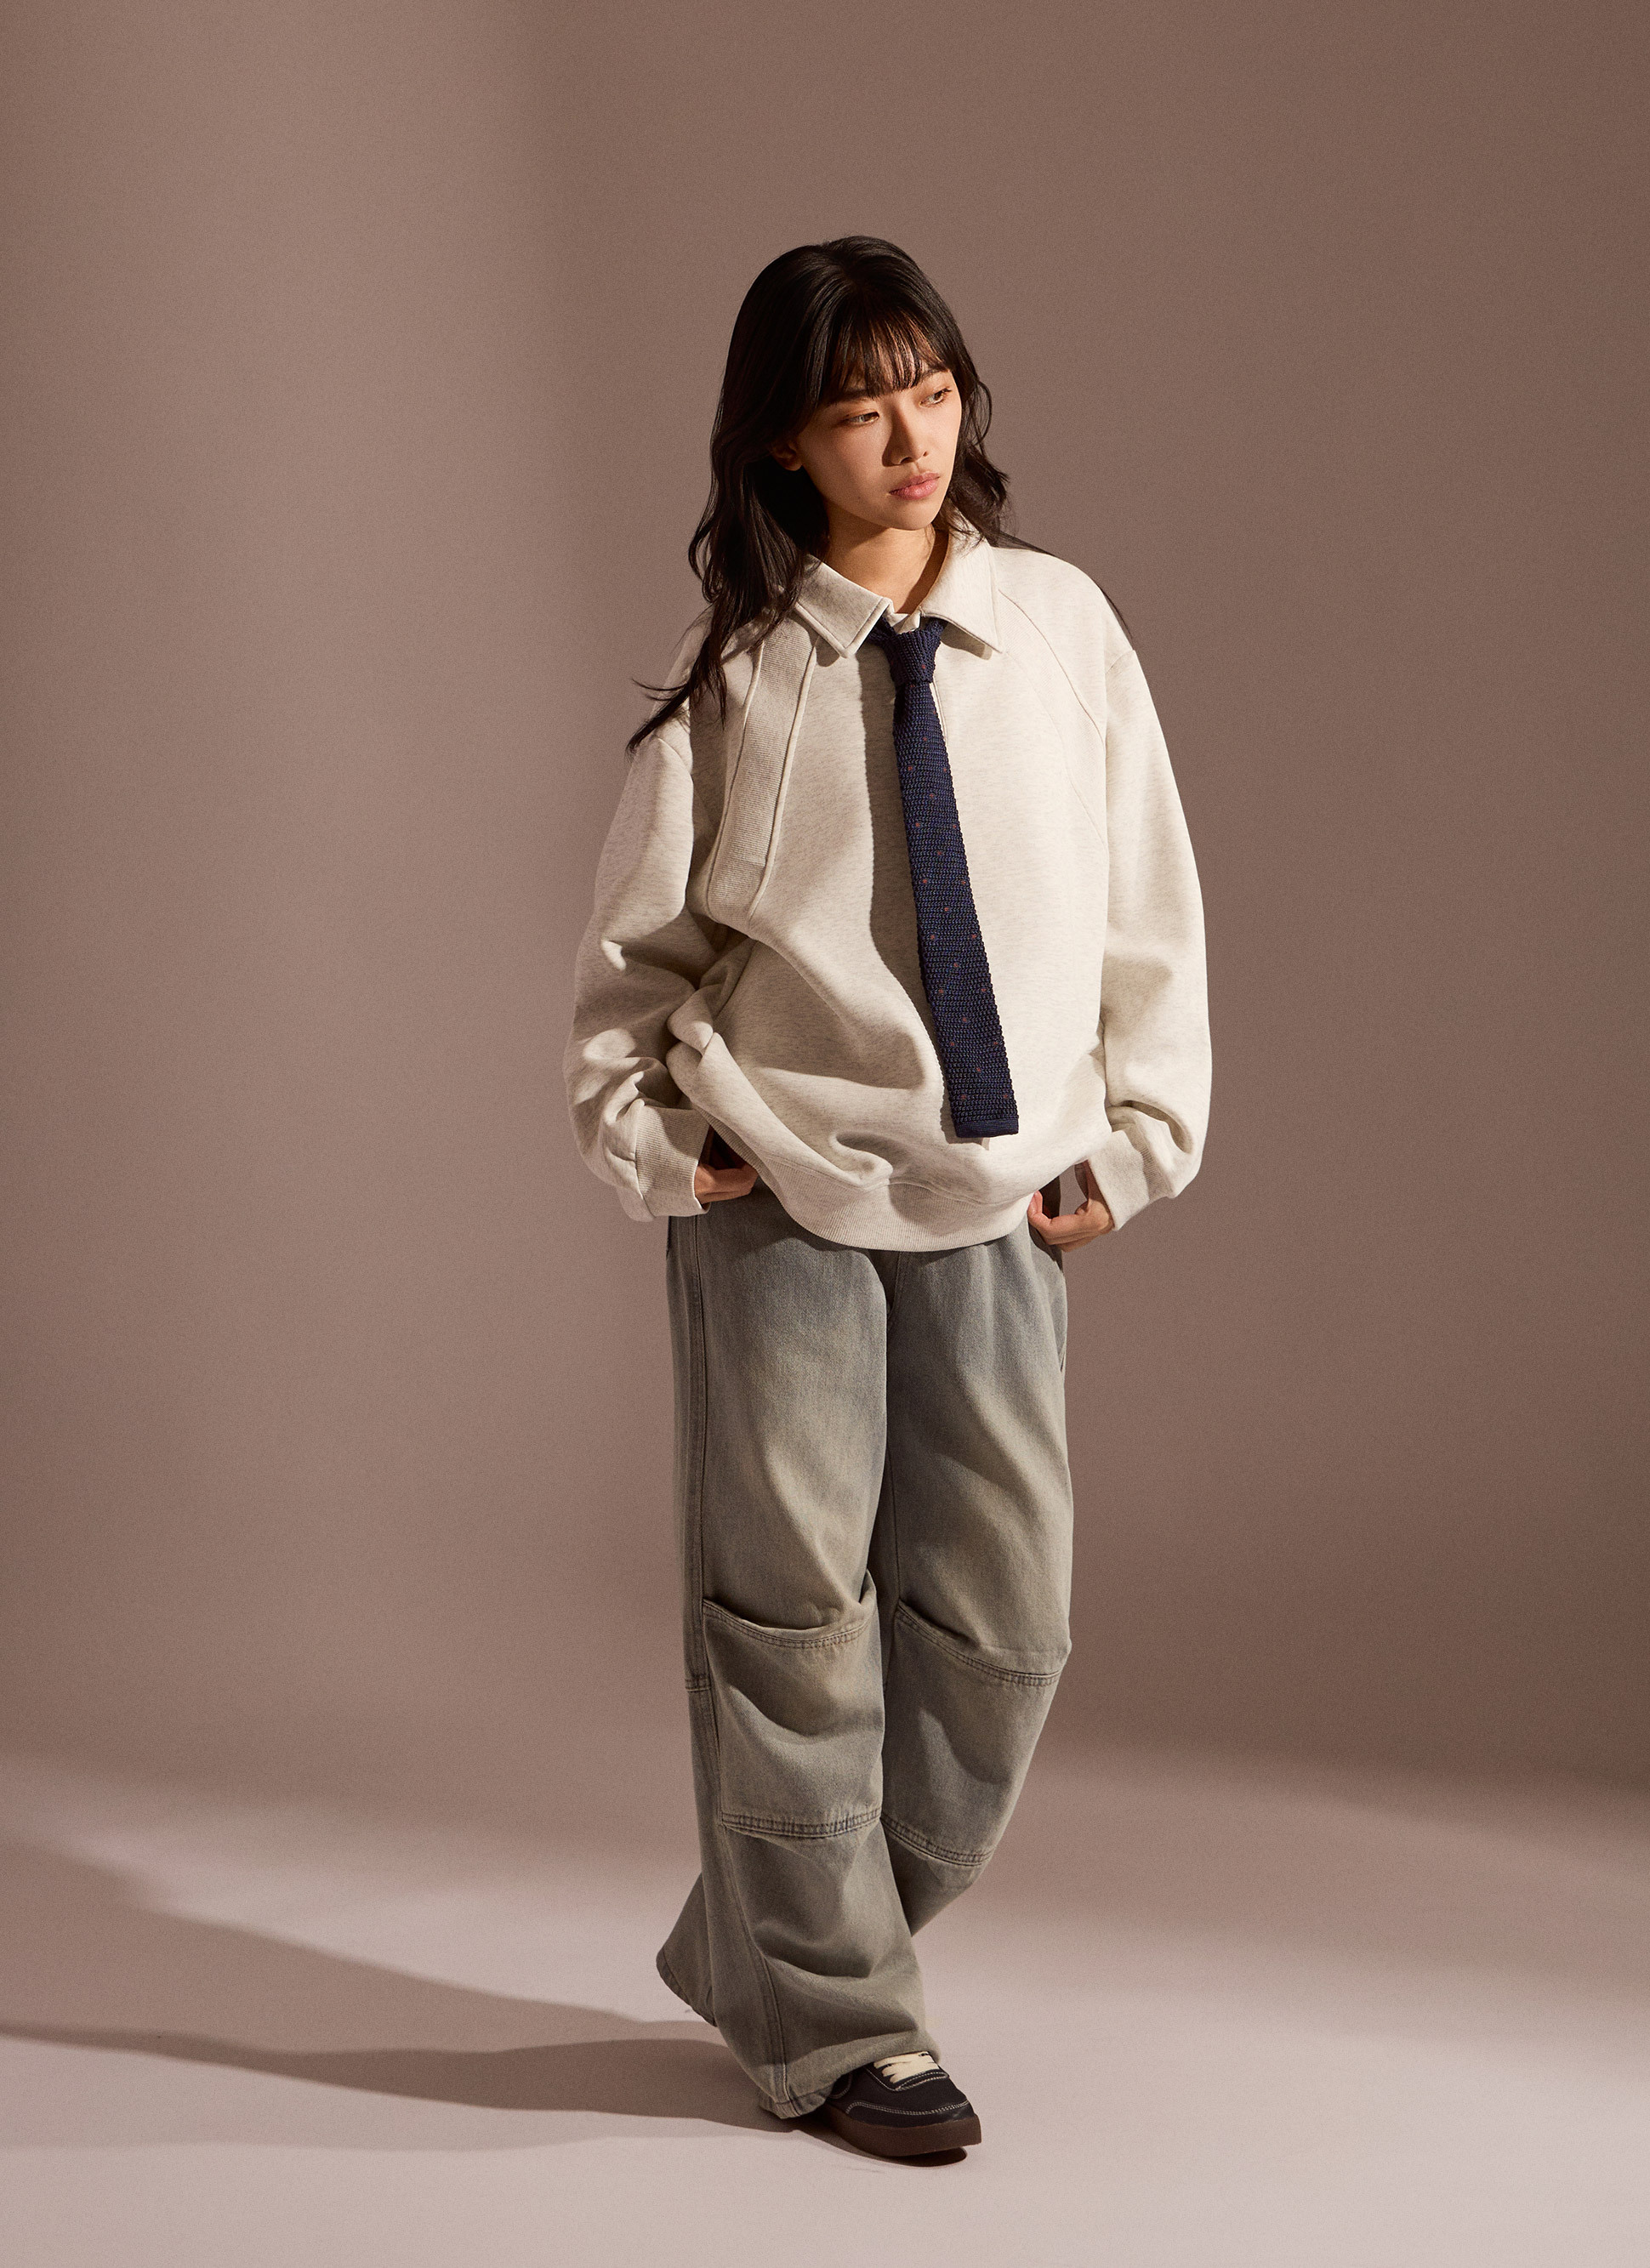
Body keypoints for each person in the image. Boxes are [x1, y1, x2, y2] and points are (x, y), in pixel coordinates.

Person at [565, 236, 1210, 2157]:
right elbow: (633, 965)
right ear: (784, 442)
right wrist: (666, 1144)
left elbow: (1147, 901)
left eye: (928, 391)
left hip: (1000, 1195)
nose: (908, 437)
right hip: (781, 1194)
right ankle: (844, 2026)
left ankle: (769, 1950)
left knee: (1004, 1627)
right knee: (787, 1620)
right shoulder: (745, 681)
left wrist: (1136, 1135)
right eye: (857, 409)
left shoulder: (1061, 628)